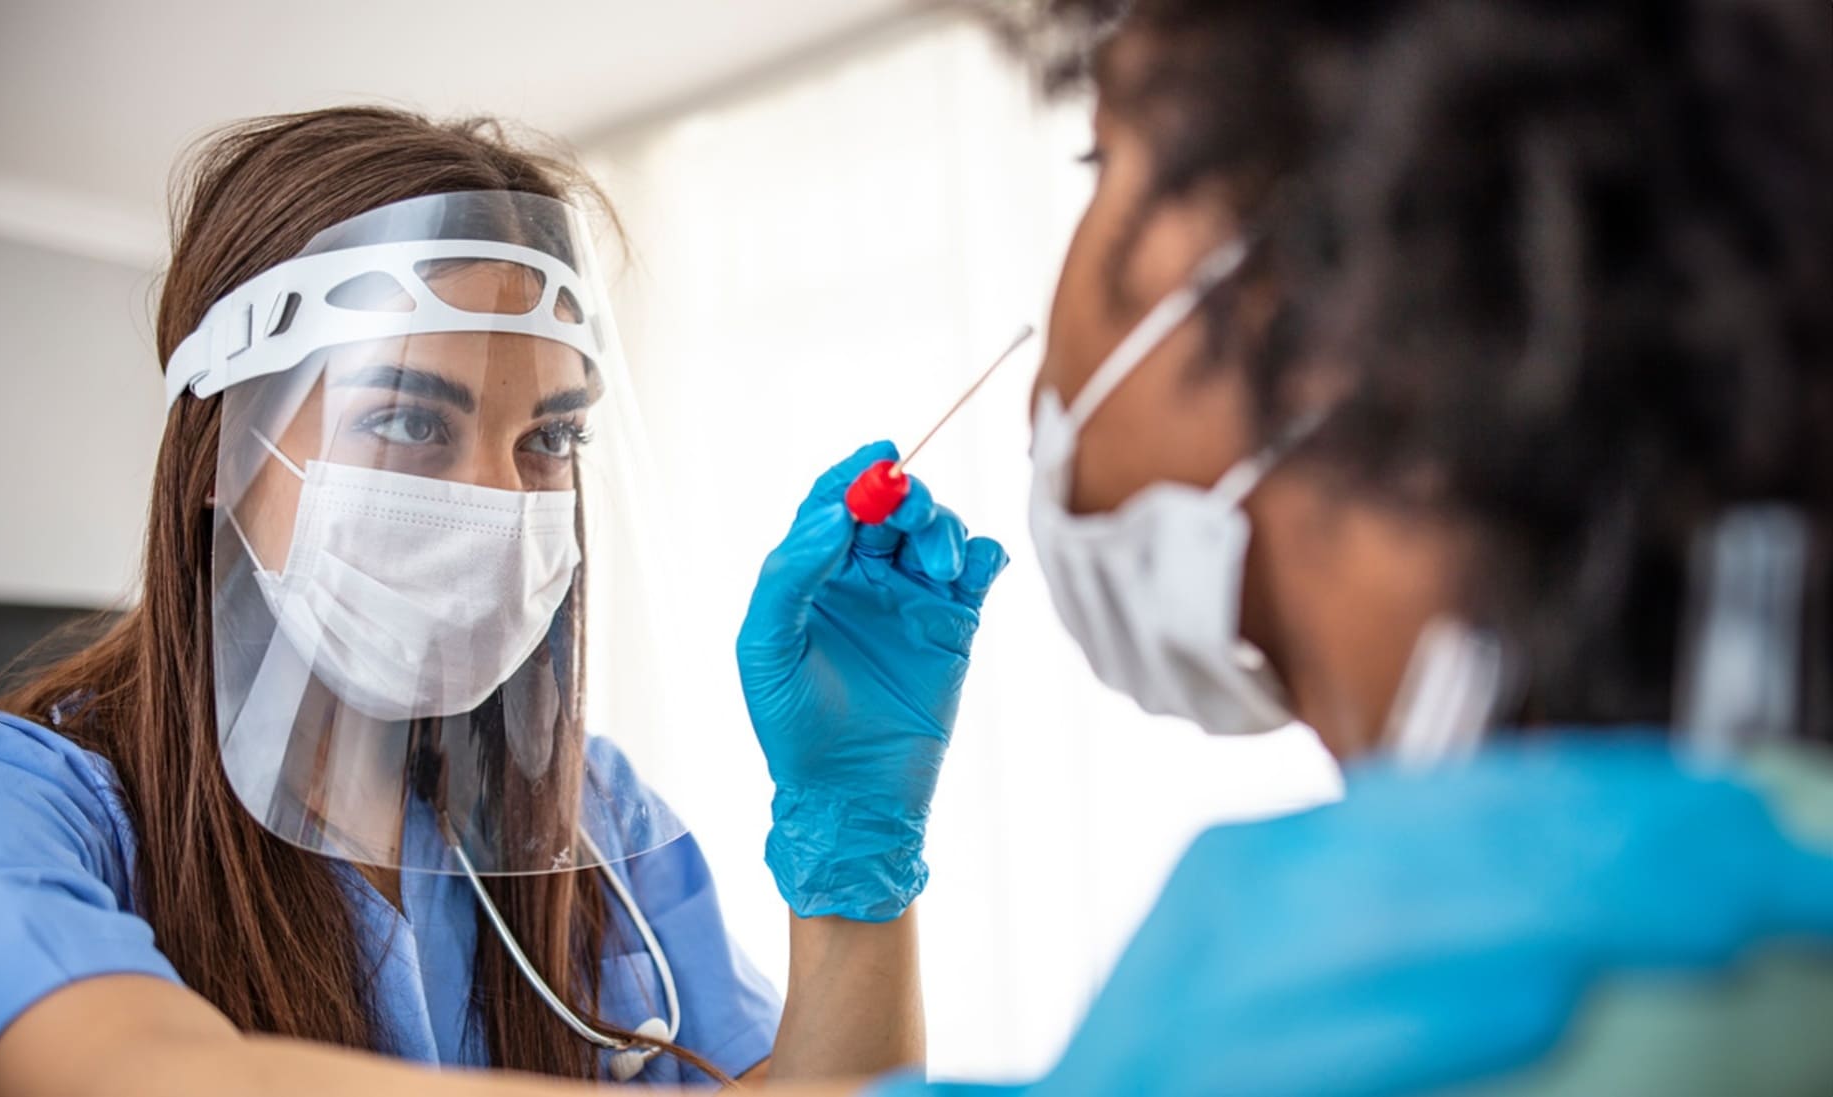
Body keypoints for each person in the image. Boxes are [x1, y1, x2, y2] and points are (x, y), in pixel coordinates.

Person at [737, 0, 1833, 1093]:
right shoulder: (1760, 869)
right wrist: (851, 858)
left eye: (1100, 153)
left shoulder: (1353, 1022)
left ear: (1332, 274)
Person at [0, 107, 1006, 1097]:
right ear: (222, 451)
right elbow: (139, 1071)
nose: (498, 498)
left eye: (550, 438)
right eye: (410, 421)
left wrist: (853, 846)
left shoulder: (597, 820)